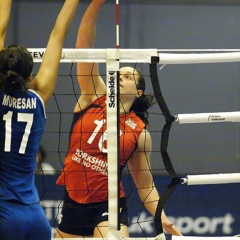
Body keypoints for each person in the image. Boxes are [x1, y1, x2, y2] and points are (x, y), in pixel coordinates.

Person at [55, 0, 182, 238]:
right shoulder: (93, 95)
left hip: (109, 204)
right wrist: (95, 4)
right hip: (73, 199)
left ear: (138, 92)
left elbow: (144, 183)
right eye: (118, 73)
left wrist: (161, 217)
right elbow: (83, 45)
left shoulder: (139, 131)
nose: (120, 75)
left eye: (127, 75)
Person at [0, 0, 80, 239]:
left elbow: (1, 28)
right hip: (35, 218)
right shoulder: (39, 97)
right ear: (31, 75)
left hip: (4, 214)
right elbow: (58, 34)